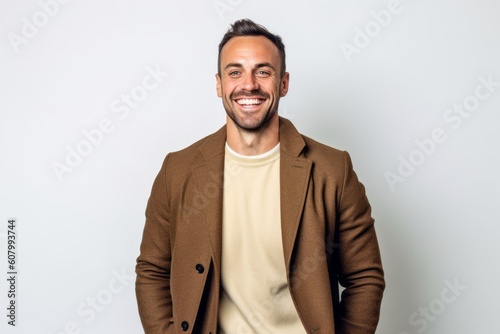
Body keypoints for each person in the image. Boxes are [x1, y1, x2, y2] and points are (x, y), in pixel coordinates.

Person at [135, 18, 385, 334]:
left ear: (283, 83)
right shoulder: (178, 170)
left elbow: (364, 277)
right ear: (219, 84)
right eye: (235, 71)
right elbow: (153, 270)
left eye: (263, 71)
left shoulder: (333, 170)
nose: (249, 84)